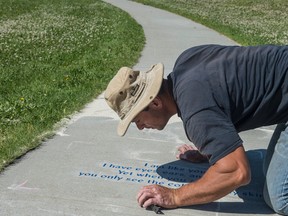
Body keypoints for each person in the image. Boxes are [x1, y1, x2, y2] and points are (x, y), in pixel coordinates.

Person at [104, 45, 288, 215]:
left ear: (155, 102)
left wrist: (175, 196)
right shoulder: (187, 60)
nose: (140, 127)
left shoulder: (196, 112)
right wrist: (213, 149)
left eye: (137, 119)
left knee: (280, 198)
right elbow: (229, 92)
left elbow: (237, 172)